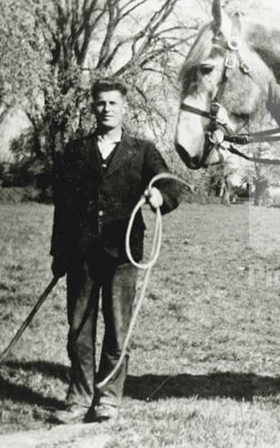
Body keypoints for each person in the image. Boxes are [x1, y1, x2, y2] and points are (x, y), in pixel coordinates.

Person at [48, 80, 182, 423]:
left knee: (118, 329)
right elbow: (62, 207)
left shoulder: (142, 150)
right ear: (93, 108)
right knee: (79, 330)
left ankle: (108, 399)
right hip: (81, 255)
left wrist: (159, 198)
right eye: (100, 103)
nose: (106, 108)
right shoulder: (75, 151)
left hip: (124, 255)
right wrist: (59, 254)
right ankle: (78, 397)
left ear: (124, 109)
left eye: (112, 103)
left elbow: (170, 184)